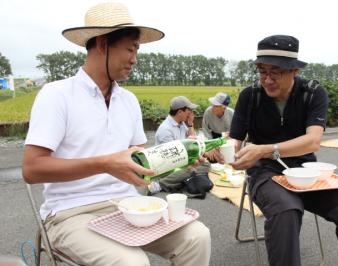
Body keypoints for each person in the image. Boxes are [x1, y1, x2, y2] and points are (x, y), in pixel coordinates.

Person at [22, 3, 211, 266]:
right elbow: (32, 169)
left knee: (197, 237)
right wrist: (105, 164)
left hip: (129, 205)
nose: (135, 59)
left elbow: (143, 165)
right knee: (131, 262)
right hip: (70, 213)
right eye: (131, 49)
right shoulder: (57, 95)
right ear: (102, 44)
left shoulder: (128, 101)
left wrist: (178, 159)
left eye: (137, 50)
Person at [230, 35, 338, 266]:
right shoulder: (250, 96)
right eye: (262, 71)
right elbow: (234, 142)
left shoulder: (313, 93)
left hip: (307, 171)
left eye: (275, 72)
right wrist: (228, 155)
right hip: (265, 172)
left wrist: (264, 149)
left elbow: (312, 141)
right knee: (287, 209)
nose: (267, 80)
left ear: (294, 70)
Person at [149, 96, 219, 194]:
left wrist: (190, 124)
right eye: (189, 110)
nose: (190, 113)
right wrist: (190, 165)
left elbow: (194, 142)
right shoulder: (165, 130)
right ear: (180, 112)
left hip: (180, 161)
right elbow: (171, 160)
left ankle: (180, 180)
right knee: (190, 170)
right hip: (167, 166)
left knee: (206, 165)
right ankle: (159, 185)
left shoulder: (181, 124)